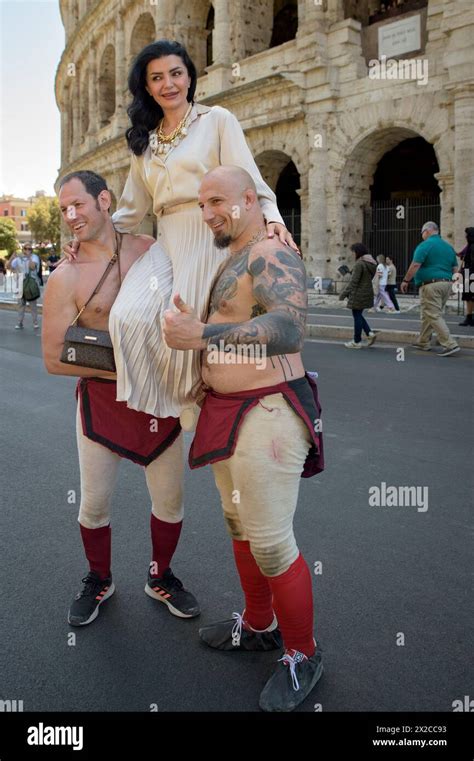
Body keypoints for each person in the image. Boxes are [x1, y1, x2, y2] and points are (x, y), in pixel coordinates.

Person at [65, 39, 298, 424]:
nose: (168, 84)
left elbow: (249, 181)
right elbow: (130, 211)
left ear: (190, 76)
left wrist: (274, 219)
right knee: (128, 316)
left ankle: (188, 404)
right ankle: (162, 407)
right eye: (156, 78)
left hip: (210, 232)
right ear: (147, 87)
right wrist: (87, 238)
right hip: (167, 238)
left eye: (175, 73)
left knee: (180, 323)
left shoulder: (217, 120)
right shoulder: (143, 143)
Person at [163, 166, 325, 713]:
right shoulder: (233, 255)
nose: (207, 212)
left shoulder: (270, 253)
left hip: (267, 410)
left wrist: (203, 334)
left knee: (273, 541)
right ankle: (259, 624)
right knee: (241, 529)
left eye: (217, 201)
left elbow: (289, 327)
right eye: (201, 203)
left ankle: (303, 653)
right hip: (226, 412)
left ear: (252, 201)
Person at [42, 170, 199, 626]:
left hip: (158, 396)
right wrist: (127, 366)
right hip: (103, 401)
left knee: (169, 501)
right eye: (64, 209)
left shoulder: (149, 250)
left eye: (79, 205)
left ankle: (161, 575)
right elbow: (54, 358)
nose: (71, 216)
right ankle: (99, 579)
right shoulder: (65, 277)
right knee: (93, 503)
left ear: (105, 200)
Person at [401, 221, 460, 356]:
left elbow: (415, 264)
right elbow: (455, 268)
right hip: (446, 284)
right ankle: (423, 341)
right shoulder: (448, 247)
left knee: (433, 314)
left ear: (426, 231)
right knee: (429, 314)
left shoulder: (425, 245)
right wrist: (454, 285)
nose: (422, 235)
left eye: (422, 233)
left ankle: (450, 344)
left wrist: (406, 280)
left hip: (431, 285)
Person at [339, 243, 378, 349]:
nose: (352, 254)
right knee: (358, 315)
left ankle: (357, 341)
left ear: (358, 252)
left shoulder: (359, 264)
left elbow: (354, 282)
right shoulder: (371, 263)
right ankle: (369, 333)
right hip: (366, 292)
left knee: (356, 316)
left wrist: (344, 294)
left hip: (358, 293)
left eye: (353, 252)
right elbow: (364, 278)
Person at [8, 243, 41, 330]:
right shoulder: (18, 259)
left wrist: (29, 257)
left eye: (30, 249)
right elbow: (8, 266)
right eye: (26, 249)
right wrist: (12, 256)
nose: (27, 250)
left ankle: (35, 323)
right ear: (23, 249)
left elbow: (33, 267)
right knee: (21, 305)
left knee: (33, 305)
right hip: (20, 284)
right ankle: (19, 323)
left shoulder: (34, 257)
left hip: (30, 285)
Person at [457, 227, 474, 326]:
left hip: (470, 274)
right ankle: (470, 318)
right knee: (470, 297)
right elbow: (461, 254)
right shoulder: (469, 246)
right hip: (469, 274)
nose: (465, 236)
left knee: (469, 297)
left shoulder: (471, 246)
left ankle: (469, 318)